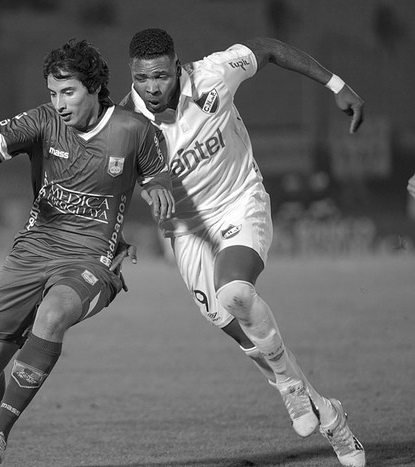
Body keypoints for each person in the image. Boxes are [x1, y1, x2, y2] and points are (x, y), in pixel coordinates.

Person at [120, 29, 365, 467]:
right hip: (185, 232)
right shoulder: (125, 123)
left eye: (160, 76)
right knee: (228, 320)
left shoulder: (214, 75)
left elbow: (268, 49)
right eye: (142, 78)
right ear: (132, 75)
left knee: (235, 292)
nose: (152, 88)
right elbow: (111, 185)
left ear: (177, 67)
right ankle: (329, 414)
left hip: (239, 201)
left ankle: (290, 391)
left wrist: (337, 85)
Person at [0, 39, 174, 466]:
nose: (59, 103)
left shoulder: (135, 130)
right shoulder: (43, 121)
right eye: (53, 93)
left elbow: (157, 176)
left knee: (53, 316)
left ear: (94, 88)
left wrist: (159, 189)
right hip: (31, 253)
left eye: (68, 92)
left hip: (92, 261)